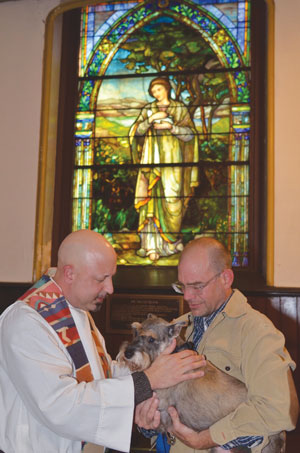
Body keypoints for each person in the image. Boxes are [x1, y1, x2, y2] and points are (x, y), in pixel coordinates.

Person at [0, 229, 206, 453]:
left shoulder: (75, 310)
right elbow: (61, 406)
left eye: (111, 277)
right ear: (69, 273)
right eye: (101, 279)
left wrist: (158, 370)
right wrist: (148, 380)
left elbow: (101, 372)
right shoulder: (27, 322)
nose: (110, 288)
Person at [135, 237, 299, 452]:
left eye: (197, 286)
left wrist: (209, 438)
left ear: (225, 278)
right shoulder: (175, 328)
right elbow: (161, 402)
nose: (187, 296)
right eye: (182, 286)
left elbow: (281, 410)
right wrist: (148, 422)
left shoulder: (256, 330)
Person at [129, 77, 198, 261]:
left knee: (173, 198)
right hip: (151, 162)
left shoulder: (179, 109)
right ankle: (151, 245)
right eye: (153, 91)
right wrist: (150, 120)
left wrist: (172, 127)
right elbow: (136, 132)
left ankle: (171, 242)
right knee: (150, 200)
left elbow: (190, 134)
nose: (155, 94)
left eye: (158, 90)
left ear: (166, 89)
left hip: (174, 162)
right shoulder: (148, 109)